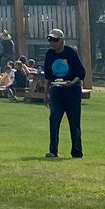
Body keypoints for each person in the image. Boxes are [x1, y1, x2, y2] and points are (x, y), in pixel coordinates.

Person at [42, 28, 86, 157]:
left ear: (61, 40)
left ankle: (77, 152)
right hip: (56, 91)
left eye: (55, 40)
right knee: (54, 121)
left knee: (74, 123)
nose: (52, 43)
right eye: (50, 40)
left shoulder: (71, 53)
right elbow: (48, 75)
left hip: (72, 92)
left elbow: (81, 73)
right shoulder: (49, 54)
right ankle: (53, 151)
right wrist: (46, 93)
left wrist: (72, 82)